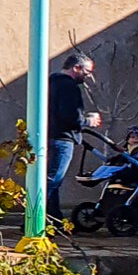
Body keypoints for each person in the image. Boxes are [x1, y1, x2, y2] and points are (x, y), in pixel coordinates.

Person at [46, 53, 100, 222]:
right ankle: (38, 218)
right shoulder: (68, 86)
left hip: (50, 135)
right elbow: (70, 115)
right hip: (63, 138)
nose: (88, 76)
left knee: (50, 180)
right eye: (87, 71)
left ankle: (53, 218)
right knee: (53, 180)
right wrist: (88, 121)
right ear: (76, 67)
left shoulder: (50, 82)